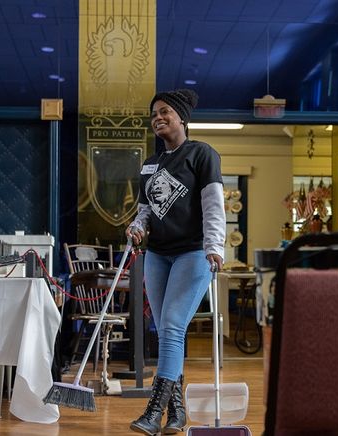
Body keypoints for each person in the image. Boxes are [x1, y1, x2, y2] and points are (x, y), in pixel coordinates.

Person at [126, 89, 226, 435]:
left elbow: (213, 205)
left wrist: (215, 246)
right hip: (158, 254)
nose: (158, 118)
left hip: (193, 252)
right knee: (168, 330)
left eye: (165, 111)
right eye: (154, 113)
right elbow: (145, 211)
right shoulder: (150, 164)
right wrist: (137, 227)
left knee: (171, 326)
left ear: (181, 117)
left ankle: (154, 412)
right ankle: (177, 414)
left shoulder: (201, 154)